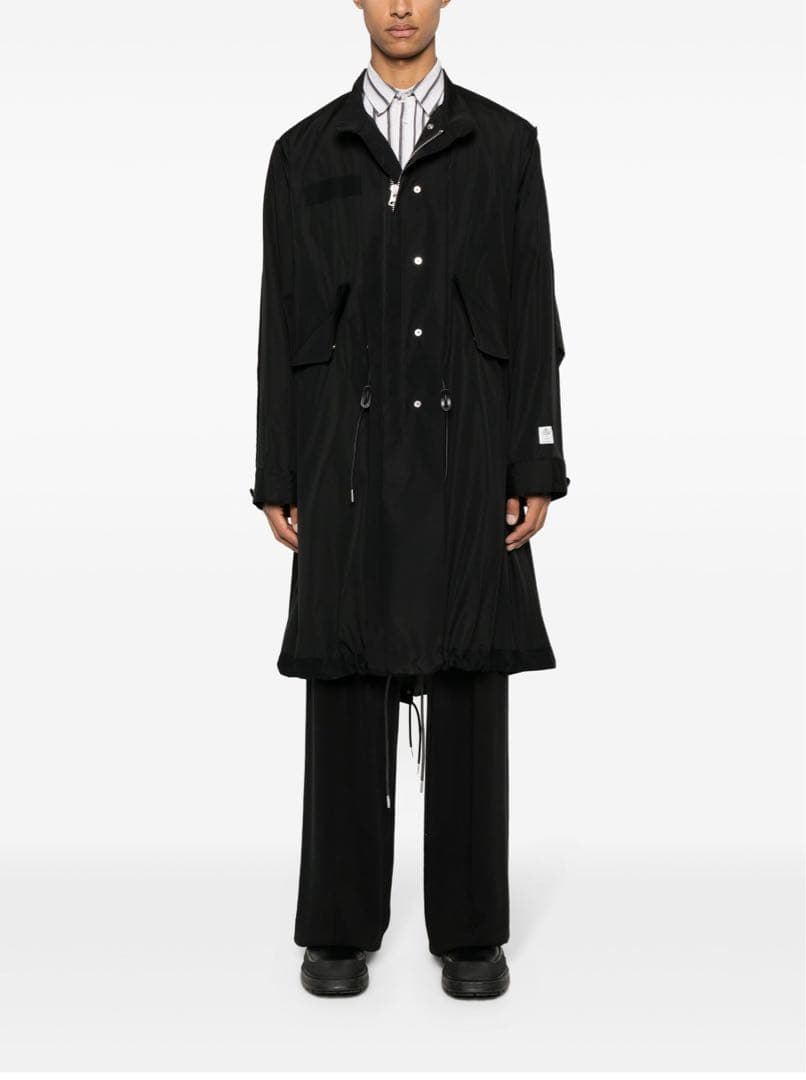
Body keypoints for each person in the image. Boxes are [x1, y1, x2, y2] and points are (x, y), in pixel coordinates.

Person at [250, 0, 569, 999]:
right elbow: (278, 322)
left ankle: (470, 933)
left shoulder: (504, 146)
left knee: (469, 677)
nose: (400, 5)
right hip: (343, 454)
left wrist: (535, 461)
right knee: (345, 677)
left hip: (467, 451)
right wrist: (278, 471)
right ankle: (338, 929)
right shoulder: (304, 152)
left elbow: (534, 308)